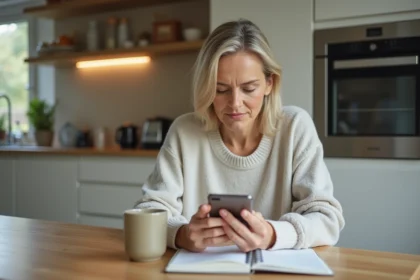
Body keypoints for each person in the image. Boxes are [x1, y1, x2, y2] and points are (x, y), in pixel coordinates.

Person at [135, 19, 345, 253]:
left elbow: (327, 219)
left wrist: (273, 235)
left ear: (269, 83)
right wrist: (182, 235)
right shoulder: (184, 132)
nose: (235, 103)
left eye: (249, 88)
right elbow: (151, 209)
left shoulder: (295, 127)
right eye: (221, 89)